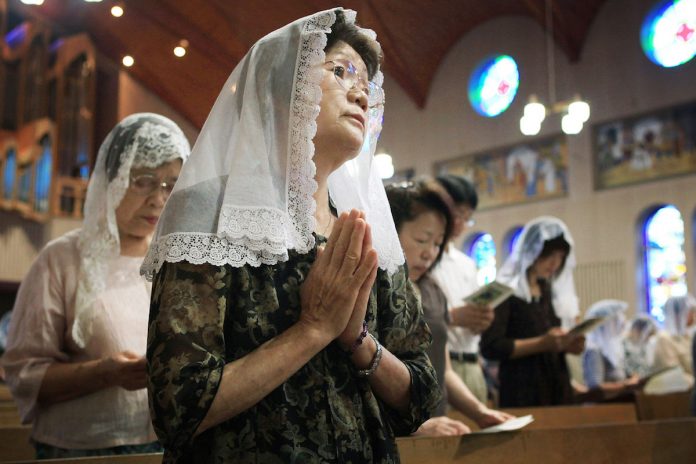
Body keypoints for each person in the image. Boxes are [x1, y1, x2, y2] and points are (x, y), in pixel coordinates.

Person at [140, 9, 440, 463]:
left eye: (366, 84)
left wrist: (358, 341)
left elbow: (419, 396)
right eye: (341, 71)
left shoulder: (363, 227)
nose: (361, 92)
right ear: (282, 90)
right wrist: (312, 329)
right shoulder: (210, 211)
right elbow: (177, 410)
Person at [0, 113, 190, 458]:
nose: (158, 198)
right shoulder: (62, 259)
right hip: (82, 449)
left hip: (166, 444)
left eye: (171, 184)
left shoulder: (177, 260)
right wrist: (104, 373)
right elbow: (24, 373)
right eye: (144, 180)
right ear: (111, 179)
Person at [386, 181, 513, 436]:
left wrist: (480, 411)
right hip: (395, 431)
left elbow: (443, 370)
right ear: (388, 229)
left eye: (437, 244)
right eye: (422, 240)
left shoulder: (433, 290)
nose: (429, 253)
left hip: (436, 424)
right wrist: (414, 427)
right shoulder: (377, 291)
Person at [480, 216, 585, 407]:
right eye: (550, 256)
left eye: (560, 258)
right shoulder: (503, 290)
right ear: (532, 252)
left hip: (555, 380)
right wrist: (541, 343)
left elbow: (552, 336)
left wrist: (568, 344)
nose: (555, 264)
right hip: (522, 386)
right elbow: (491, 347)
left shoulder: (546, 290)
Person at [429, 174, 493, 403]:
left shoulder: (466, 263)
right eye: (457, 214)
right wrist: (453, 317)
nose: (460, 224)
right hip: (440, 363)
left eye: (467, 218)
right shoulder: (424, 259)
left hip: (472, 362)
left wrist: (481, 319)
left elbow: (473, 312)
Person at [582, 300, 639, 398]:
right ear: (607, 324)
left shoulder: (614, 347)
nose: (622, 323)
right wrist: (625, 385)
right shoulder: (594, 350)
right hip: (604, 408)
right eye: (617, 320)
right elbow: (595, 387)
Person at [652, 295, 695, 383]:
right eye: (691, 312)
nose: (694, 316)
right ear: (679, 314)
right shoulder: (664, 338)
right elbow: (673, 374)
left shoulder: (687, 336)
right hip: (679, 391)